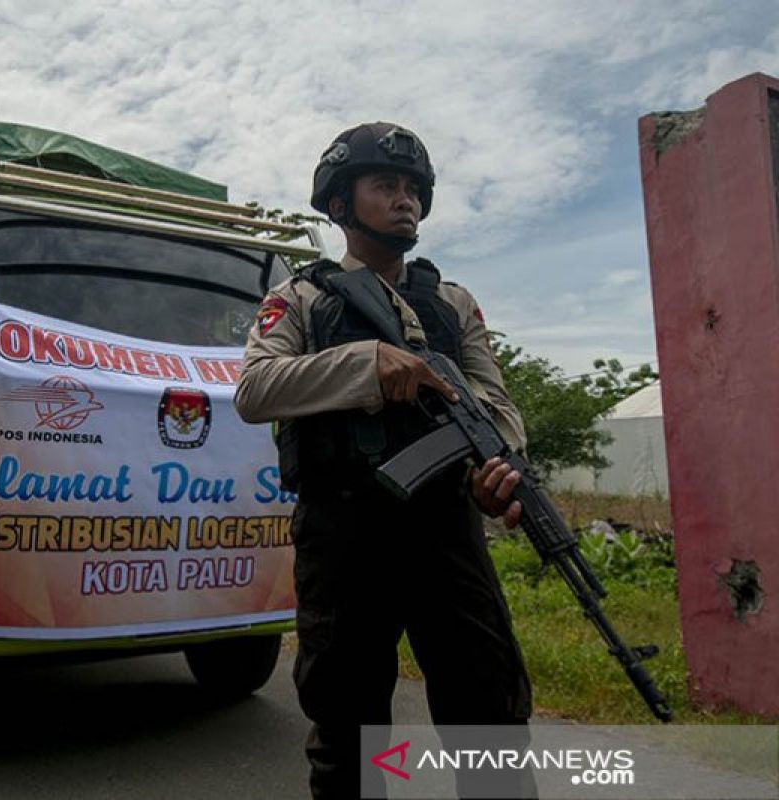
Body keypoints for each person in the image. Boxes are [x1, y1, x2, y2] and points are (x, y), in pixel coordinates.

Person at [235, 122, 537, 799]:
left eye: (413, 190)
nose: (405, 201)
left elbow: (497, 405)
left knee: (490, 715)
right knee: (350, 729)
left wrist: (502, 468)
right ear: (341, 205)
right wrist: (367, 362)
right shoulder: (303, 299)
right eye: (385, 186)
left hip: (446, 529)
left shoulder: (452, 303)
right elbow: (255, 390)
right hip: (344, 534)